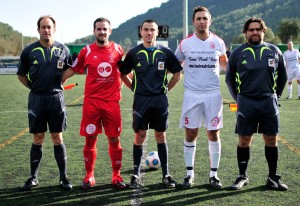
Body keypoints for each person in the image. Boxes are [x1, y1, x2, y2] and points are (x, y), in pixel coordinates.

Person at [62, 17, 126, 190]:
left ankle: (116, 176)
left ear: (110, 31)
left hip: (112, 103)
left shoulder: (118, 50)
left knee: (114, 138)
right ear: (94, 31)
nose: (102, 32)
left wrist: (139, 86)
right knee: (90, 139)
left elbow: (125, 72)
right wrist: (56, 82)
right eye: (99, 29)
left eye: (105, 29)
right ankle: (89, 176)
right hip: (92, 103)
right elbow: (74, 69)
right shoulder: (86, 51)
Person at [225, 17, 288, 191]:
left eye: (257, 29)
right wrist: (239, 98)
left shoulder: (274, 51)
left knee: (271, 139)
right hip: (246, 101)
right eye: (251, 30)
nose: (254, 32)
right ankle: (242, 176)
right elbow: (229, 78)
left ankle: (273, 177)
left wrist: (277, 95)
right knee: (245, 139)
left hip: (269, 101)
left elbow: (283, 75)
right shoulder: (238, 53)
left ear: (263, 31)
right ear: (245, 33)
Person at [119, 19, 183, 189]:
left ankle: (166, 175)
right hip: (141, 100)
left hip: (160, 100)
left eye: (152, 30)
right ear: (141, 32)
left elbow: (177, 74)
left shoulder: (166, 53)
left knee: (161, 135)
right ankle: (135, 175)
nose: (149, 33)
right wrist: (134, 88)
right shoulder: (133, 53)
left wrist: (166, 89)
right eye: (146, 30)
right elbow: (123, 73)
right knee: (140, 135)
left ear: (157, 32)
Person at [174, 6, 228, 189]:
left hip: (213, 94)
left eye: (205, 18)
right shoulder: (184, 44)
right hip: (192, 95)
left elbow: (225, 64)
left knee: (213, 132)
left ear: (210, 20)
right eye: (198, 18)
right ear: (193, 22)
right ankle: (189, 174)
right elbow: (175, 65)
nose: (202, 21)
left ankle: (214, 175)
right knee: (191, 133)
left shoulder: (219, 42)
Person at [17, 15, 72, 191]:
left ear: (54, 29)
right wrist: (33, 88)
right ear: (38, 29)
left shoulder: (63, 49)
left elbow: (70, 69)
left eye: (49, 27)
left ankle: (63, 178)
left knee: (57, 138)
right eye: (43, 27)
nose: (46, 30)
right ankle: (33, 177)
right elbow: (21, 74)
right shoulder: (29, 50)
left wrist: (60, 82)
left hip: (56, 99)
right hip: (37, 99)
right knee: (38, 137)